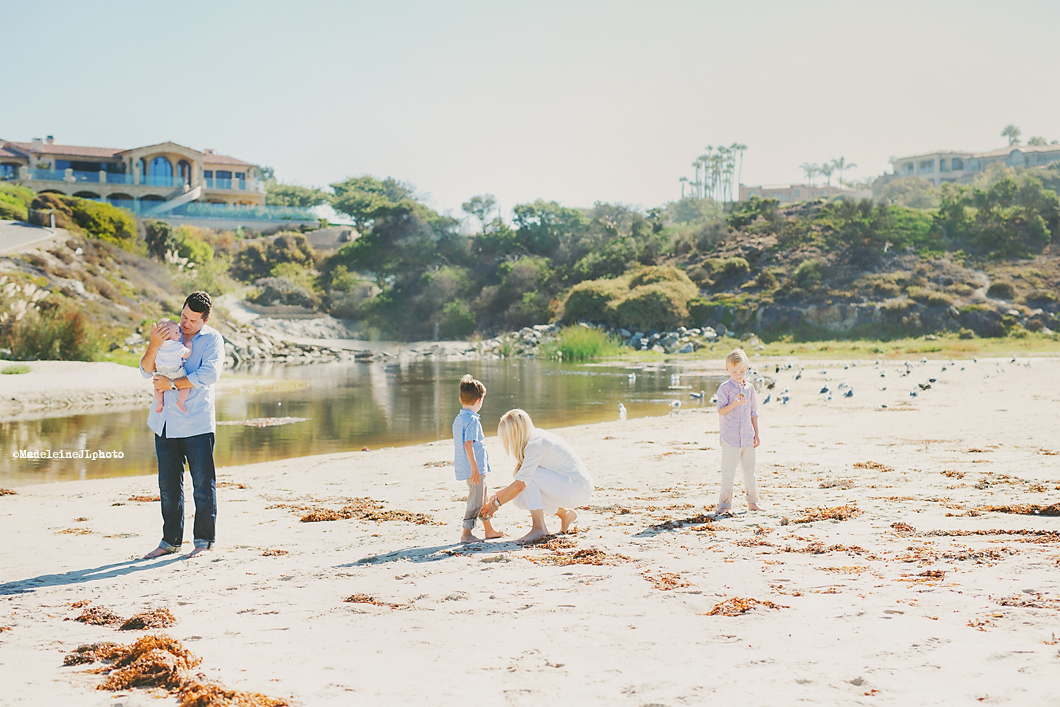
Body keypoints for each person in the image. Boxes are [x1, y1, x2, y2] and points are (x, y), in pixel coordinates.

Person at [139, 291, 225, 559]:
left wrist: (173, 384)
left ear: (205, 319)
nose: (185, 323)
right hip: (164, 423)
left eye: (192, 320)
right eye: (183, 316)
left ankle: (203, 542)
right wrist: (154, 344)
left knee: (202, 484)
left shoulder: (212, 339)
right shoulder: (168, 332)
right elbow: (144, 370)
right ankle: (169, 542)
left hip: (196, 423)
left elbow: (209, 374)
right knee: (167, 486)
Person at [480, 409, 592, 544]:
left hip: (577, 489)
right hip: (569, 487)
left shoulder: (536, 443)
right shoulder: (533, 438)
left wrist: (495, 504)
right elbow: (521, 484)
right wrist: (501, 494)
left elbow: (522, 483)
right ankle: (565, 514)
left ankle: (539, 528)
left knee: (527, 480)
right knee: (519, 499)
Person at [452, 375, 502, 543]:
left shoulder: (459, 419)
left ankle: (489, 529)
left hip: (468, 467)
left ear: (460, 399)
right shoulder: (472, 420)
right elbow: (468, 445)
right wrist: (475, 468)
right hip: (475, 468)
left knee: (483, 499)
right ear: (480, 400)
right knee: (475, 501)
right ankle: (466, 533)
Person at [715, 348, 762, 514]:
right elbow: (720, 411)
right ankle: (724, 505)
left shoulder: (749, 388)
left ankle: (752, 502)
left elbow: (753, 412)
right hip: (730, 438)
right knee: (728, 473)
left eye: (742, 371)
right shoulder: (724, 388)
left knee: (750, 473)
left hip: (748, 437)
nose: (738, 374)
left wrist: (757, 433)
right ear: (727, 369)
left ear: (747, 369)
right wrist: (734, 403)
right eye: (734, 371)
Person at [152, 326, 192, 413]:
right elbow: (186, 355)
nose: (179, 334)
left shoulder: (158, 345)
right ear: (166, 335)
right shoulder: (177, 345)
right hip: (174, 371)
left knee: (157, 388)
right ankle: (180, 401)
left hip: (160, 372)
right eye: (176, 333)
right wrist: (189, 347)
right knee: (186, 385)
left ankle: (159, 402)